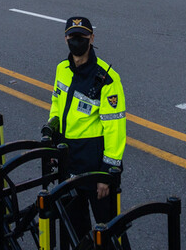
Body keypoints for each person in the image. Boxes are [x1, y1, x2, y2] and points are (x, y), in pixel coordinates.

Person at [43, 17, 126, 244]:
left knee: (108, 232)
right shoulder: (62, 69)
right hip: (68, 160)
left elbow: (115, 128)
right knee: (77, 232)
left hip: (95, 164)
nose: (77, 41)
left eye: (82, 36)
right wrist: (51, 142)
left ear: (92, 38)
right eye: (72, 36)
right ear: (66, 38)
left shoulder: (107, 78)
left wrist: (107, 173)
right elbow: (57, 106)